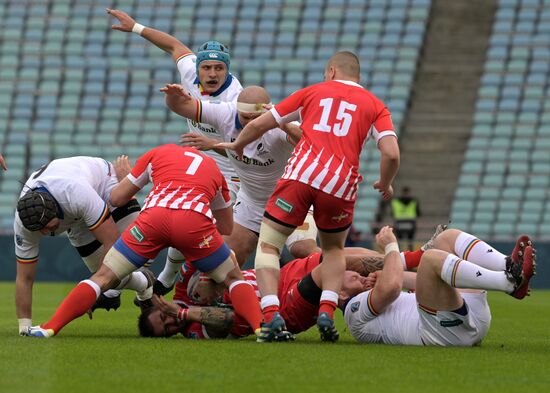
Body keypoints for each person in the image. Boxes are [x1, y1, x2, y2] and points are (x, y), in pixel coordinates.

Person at [218, 51, 400, 342]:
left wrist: (238, 145)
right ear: (358, 77)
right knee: (333, 251)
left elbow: (258, 125)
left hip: (301, 176)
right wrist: (385, 183)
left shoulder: (312, 92)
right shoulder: (377, 106)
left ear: (330, 71)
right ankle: (327, 309)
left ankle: (270, 314)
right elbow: (391, 153)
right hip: (341, 183)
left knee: (269, 245)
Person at [26, 144, 263, 338]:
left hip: (153, 219)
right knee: (233, 279)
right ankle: (260, 328)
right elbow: (227, 228)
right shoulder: (214, 170)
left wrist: (124, 178)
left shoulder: (157, 153)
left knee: (101, 278)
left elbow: (117, 198)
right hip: (193, 223)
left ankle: (50, 327)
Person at [107, 8, 242, 294]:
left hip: (230, 173)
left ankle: (176, 281)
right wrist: (135, 27)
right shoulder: (191, 71)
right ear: (199, 67)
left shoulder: (235, 101)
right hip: (199, 164)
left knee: (215, 234)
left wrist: (214, 145)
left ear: (227, 70)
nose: (213, 73)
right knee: (178, 217)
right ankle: (161, 280)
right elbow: (174, 46)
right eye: (208, 68)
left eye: (219, 68)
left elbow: (249, 152)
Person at [161, 83, 319, 265]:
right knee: (226, 261)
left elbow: (313, 142)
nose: (252, 124)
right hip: (252, 202)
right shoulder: (225, 114)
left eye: (257, 118)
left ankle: (345, 272)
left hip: (291, 199)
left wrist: (281, 122)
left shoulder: (279, 125)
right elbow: (181, 106)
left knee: (303, 250)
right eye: (246, 117)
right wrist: (173, 96)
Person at [14, 156, 153, 335]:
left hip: (103, 186)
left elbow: (110, 241)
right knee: (110, 278)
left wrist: (93, 290)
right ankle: (143, 283)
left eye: (48, 227)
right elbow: (24, 278)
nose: (45, 233)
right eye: (40, 230)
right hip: (75, 216)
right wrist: (24, 328)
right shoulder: (24, 224)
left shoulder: (74, 194)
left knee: (135, 253)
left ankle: (122, 294)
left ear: (55, 209)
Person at [343, 226, 536, 346]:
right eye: (348, 276)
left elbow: (406, 283)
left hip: (460, 319)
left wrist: (393, 274)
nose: (356, 275)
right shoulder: (353, 311)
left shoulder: (373, 292)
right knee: (430, 259)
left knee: (445, 238)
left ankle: (509, 266)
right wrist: (391, 246)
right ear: (341, 295)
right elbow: (392, 288)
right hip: (443, 333)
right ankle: (509, 283)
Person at [141, 246, 384, 340]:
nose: (171, 322)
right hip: (283, 310)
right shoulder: (195, 330)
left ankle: (406, 263)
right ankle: (395, 284)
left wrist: (213, 275)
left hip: (281, 275)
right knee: (336, 272)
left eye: (164, 317)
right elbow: (226, 319)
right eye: (168, 330)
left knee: (342, 256)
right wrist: (184, 314)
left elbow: (206, 245)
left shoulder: (183, 288)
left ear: (159, 306)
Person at [391, 186, 421, 250]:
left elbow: (392, 213)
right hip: (410, 221)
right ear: (409, 192)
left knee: (399, 240)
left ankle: (399, 253)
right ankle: (410, 253)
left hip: (399, 221)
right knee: (410, 240)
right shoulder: (414, 201)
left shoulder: (395, 201)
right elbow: (418, 213)